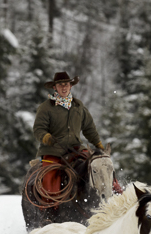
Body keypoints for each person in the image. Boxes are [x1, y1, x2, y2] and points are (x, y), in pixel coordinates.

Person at [33, 71, 105, 199]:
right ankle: (49, 206)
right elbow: (39, 129)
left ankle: (114, 193)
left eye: (66, 84)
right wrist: (46, 137)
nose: (64, 87)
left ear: (71, 86)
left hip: (76, 148)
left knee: (99, 164)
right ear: (54, 87)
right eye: (60, 85)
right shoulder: (45, 107)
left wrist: (98, 143)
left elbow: (89, 128)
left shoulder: (78, 106)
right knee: (50, 178)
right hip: (53, 150)